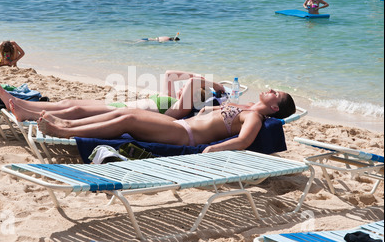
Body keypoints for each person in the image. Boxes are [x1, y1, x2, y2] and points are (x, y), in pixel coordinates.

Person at [36, 89, 296, 153]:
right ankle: (69, 126)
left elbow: (243, 140)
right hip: (181, 126)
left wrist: (212, 149)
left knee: (126, 118)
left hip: (184, 136)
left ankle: (63, 132)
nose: (271, 89)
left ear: (274, 107)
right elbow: (219, 109)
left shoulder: (255, 117)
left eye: (276, 93)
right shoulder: (246, 105)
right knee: (121, 115)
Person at [0, 70, 226, 121]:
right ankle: (20, 102)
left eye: (184, 90)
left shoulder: (179, 110)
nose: (180, 88)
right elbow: (169, 74)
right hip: (120, 103)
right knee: (68, 102)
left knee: (75, 111)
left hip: (125, 111)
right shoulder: (172, 98)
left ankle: (25, 113)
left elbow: (195, 81)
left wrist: (217, 86)